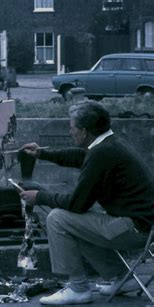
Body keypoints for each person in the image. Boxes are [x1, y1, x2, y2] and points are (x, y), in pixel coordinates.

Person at [19, 100, 154, 305]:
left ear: (84, 131)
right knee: (76, 222)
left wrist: (39, 197)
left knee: (58, 219)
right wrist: (42, 153)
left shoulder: (102, 153)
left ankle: (78, 288)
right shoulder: (110, 144)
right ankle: (120, 277)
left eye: (71, 127)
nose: (70, 131)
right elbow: (81, 157)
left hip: (134, 230)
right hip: (143, 225)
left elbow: (76, 204)